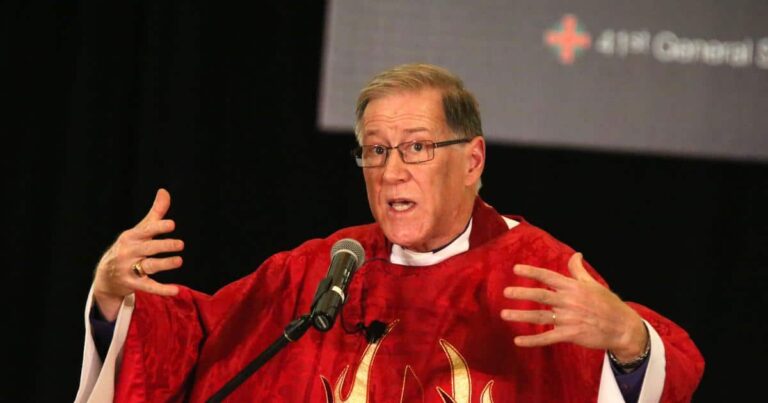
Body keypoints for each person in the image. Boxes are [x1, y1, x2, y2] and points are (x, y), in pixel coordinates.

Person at [76, 63, 704, 402]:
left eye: (417, 148)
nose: (391, 170)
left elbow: (652, 372)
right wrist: (116, 301)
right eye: (374, 151)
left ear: (474, 160)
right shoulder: (322, 270)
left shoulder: (536, 271)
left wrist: (627, 342)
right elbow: (202, 344)